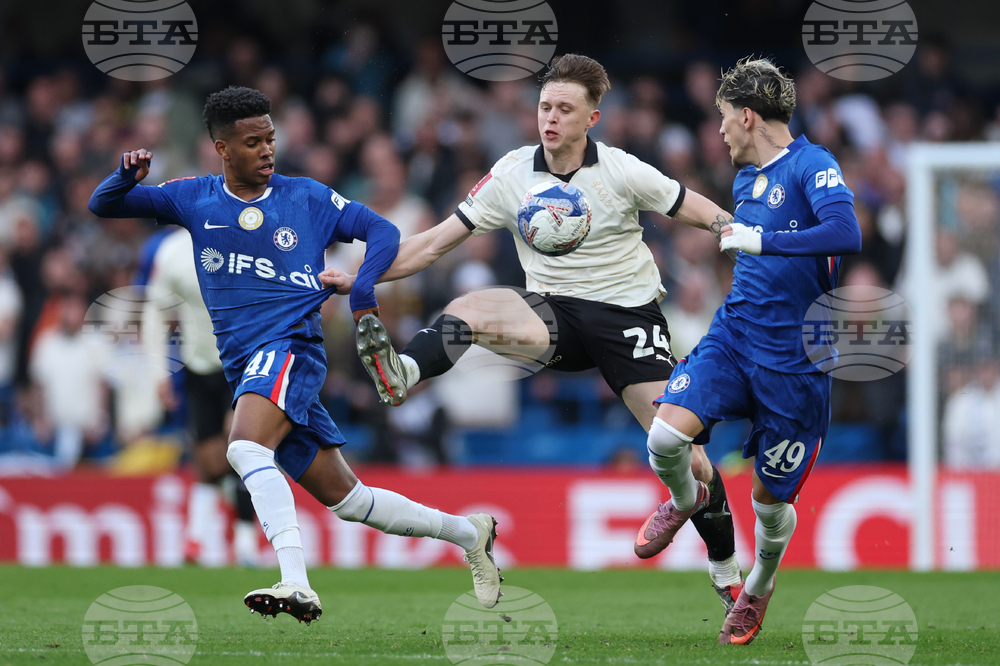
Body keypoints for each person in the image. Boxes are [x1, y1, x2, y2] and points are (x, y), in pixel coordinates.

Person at [321, 54, 745, 610]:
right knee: (470, 306)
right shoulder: (513, 173)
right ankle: (404, 372)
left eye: (565, 109)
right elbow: (432, 242)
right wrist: (360, 276)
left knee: (685, 456)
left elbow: (691, 206)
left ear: (592, 117)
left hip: (627, 318)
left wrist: (731, 229)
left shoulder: (621, 169)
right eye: (545, 106)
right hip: (553, 315)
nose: (551, 118)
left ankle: (724, 566)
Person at [88, 86, 502, 624]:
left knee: (242, 447)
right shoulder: (193, 197)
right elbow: (104, 203)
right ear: (222, 148)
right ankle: (471, 533)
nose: (267, 150)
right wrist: (126, 173)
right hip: (245, 363)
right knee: (351, 502)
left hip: (290, 349)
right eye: (253, 141)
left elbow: (382, 230)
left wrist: (362, 288)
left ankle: (296, 582)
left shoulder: (305, 197)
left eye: (271, 139)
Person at [640, 58, 861, 645]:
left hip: (796, 363)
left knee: (768, 504)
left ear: (746, 115)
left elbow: (847, 233)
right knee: (664, 437)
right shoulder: (743, 181)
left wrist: (762, 238)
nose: (718, 131)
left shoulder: (815, 165)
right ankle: (692, 498)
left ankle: (758, 584)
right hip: (735, 336)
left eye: (722, 119)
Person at [142, 228, 259, 567]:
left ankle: (246, 543)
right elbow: (155, 312)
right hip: (199, 367)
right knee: (210, 460)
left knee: (241, 445)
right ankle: (195, 540)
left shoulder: (239, 237)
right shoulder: (171, 252)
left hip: (243, 362)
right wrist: (158, 372)